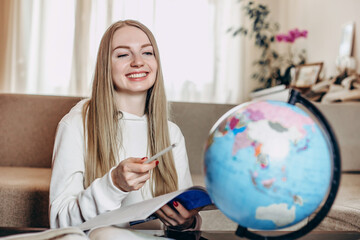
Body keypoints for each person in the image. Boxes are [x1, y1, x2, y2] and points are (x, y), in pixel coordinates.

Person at [49, 19, 201, 231]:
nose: (138, 62)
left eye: (147, 53)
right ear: (105, 67)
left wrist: (188, 222)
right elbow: (59, 222)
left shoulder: (172, 134)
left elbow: (184, 220)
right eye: (123, 54)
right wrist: (113, 184)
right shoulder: (75, 125)